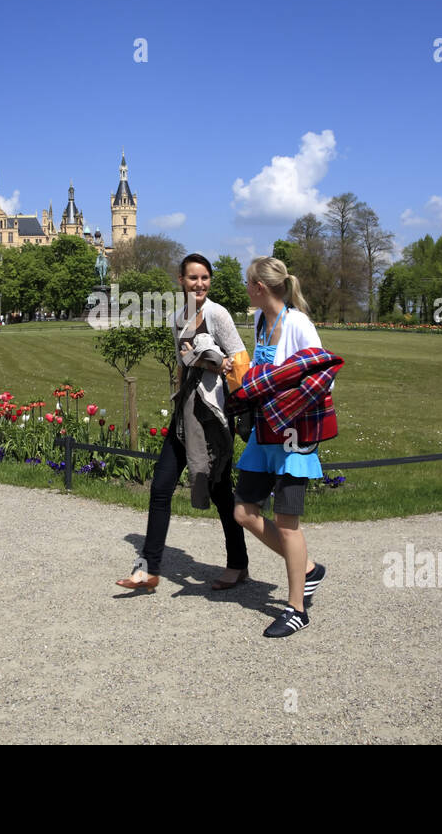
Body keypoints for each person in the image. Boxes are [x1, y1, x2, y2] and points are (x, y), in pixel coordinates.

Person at [116, 253, 251, 593]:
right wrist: (178, 395)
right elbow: (181, 363)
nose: (200, 284)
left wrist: (217, 367)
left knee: (220, 491)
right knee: (161, 487)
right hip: (185, 414)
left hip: (213, 417)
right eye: (193, 278)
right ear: (181, 280)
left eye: (205, 277)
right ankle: (149, 569)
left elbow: (240, 360)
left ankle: (238, 564)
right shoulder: (178, 318)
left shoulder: (217, 314)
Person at [232, 257, 337, 638]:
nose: (246, 288)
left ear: (261, 287)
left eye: (248, 283)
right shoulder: (261, 321)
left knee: (289, 524)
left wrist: (281, 395)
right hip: (265, 433)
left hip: (294, 437)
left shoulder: (297, 323)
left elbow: (324, 376)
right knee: (243, 511)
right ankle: (307, 569)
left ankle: (296, 609)